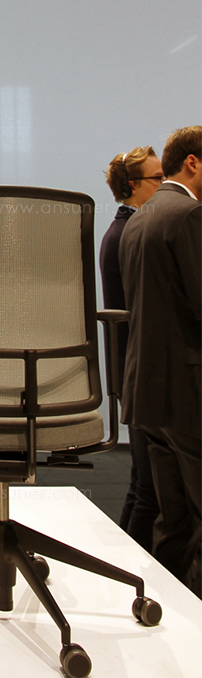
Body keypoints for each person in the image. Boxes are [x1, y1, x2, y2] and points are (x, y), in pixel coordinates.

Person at [119, 125, 202, 597]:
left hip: (150, 392)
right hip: (187, 394)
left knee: (175, 520)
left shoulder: (141, 218)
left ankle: (163, 607)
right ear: (192, 162)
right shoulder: (188, 215)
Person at [100, 146, 164, 552]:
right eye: (158, 179)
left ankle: (121, 561)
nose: (165, 184)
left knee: (144, 483)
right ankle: (133, 567)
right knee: (149, 489)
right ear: (132, 186)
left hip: (133, 369)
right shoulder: (129, 233)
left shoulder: (123, 229)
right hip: (138, 372)